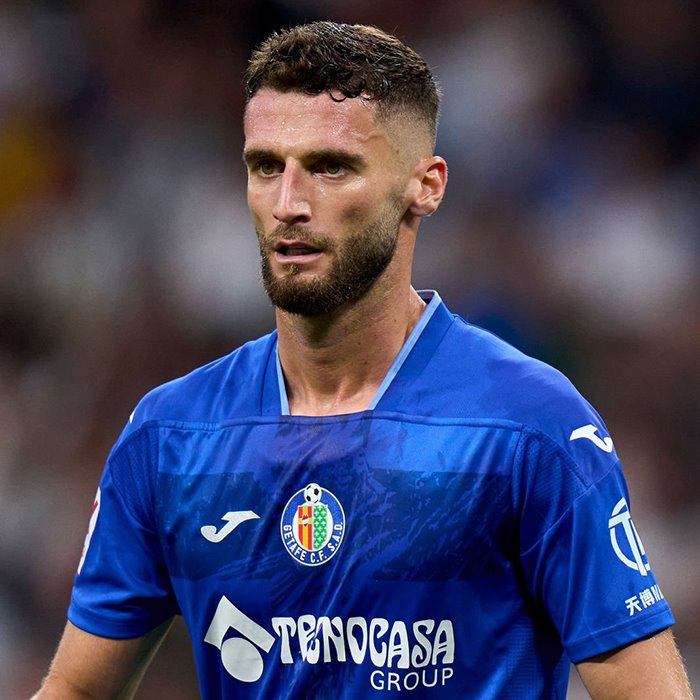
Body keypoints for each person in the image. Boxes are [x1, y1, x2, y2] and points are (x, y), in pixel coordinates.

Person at [34, 21, 693, 700]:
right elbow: (76, 690)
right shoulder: (171, 436)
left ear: (425, 185)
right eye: (266, 167)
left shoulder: (530, 426)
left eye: (330, 167)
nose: (288, 205)